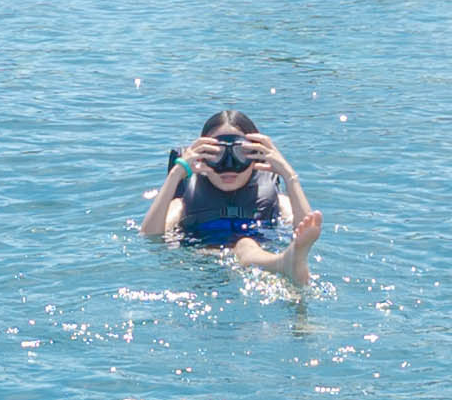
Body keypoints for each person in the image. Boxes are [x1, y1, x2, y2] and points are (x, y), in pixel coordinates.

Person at [135, 110, 325, 287]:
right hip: (202, 257)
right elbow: (150, 235)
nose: (228, 165)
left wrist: (289, 175)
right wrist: (177, 173)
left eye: (240, 153)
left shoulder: (278, 201)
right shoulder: (183, 204)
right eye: (215, 154)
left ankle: (290, 260)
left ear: (257, 156)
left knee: (245, 245)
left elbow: (304, 228)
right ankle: (284, 263)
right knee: (241, 246)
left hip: (245, 255)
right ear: (201, 157)